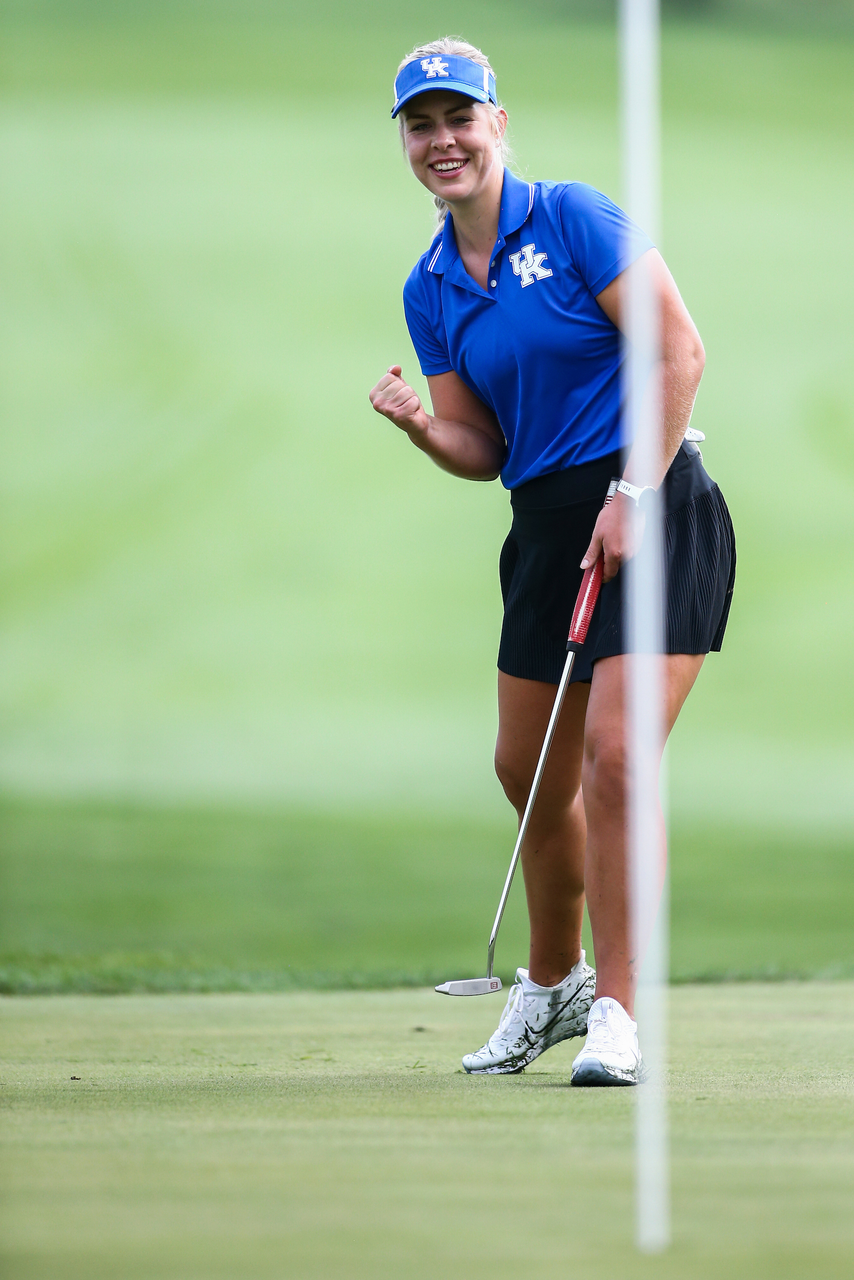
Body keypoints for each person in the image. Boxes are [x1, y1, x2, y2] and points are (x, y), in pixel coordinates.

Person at [369, 39, 735, 1086]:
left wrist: (632, 492)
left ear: (496, 122)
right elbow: (479, 446)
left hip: (653, 503)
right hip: (544, 527)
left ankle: (617, 1010)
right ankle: (551, 983)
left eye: (458, 119)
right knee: (524, 774)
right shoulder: (430, 284)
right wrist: (417, 428)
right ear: (405, 141)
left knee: (614, 762)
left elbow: (676, 350)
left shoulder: (570, 215)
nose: (442, 141)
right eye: (420, 125)